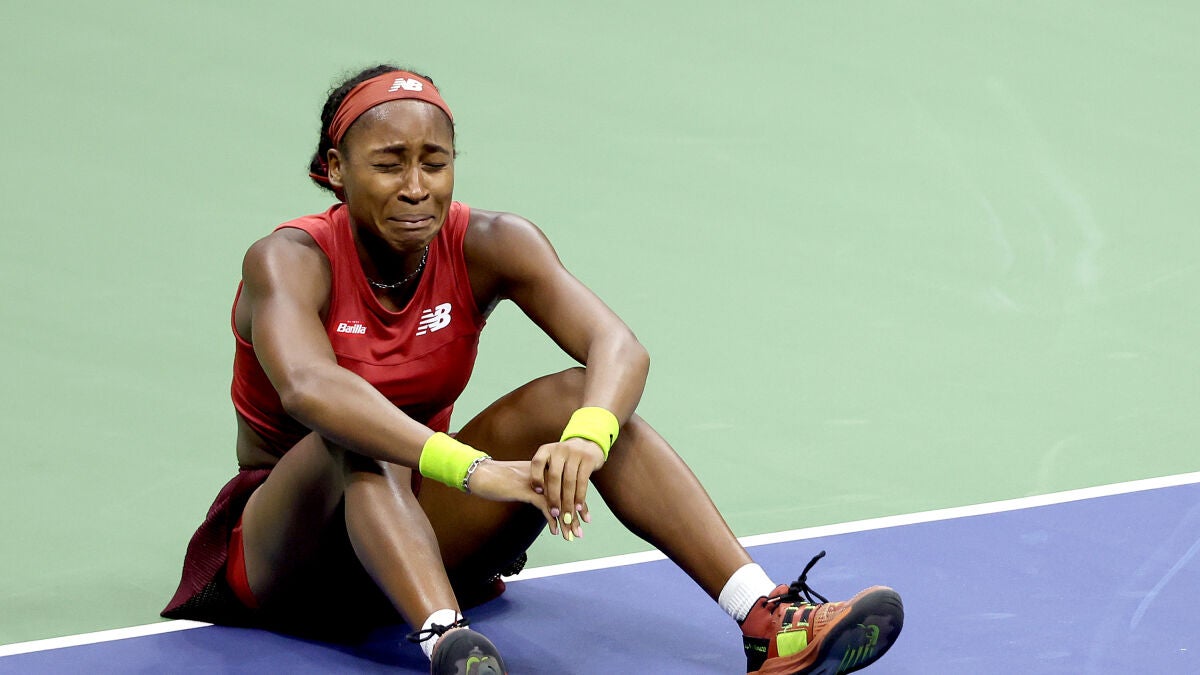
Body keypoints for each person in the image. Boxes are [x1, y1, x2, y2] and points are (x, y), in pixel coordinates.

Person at [162, 64, 904, 675]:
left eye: (435, 163)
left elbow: (617, 346)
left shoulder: (491, 243)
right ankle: (449, 646)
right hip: (290, 553)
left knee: (582, 397)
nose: (417, 186)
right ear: (334, 170)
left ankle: (765, 617)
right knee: (359, 432)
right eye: (389, 164)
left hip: (412, 531)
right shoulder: (288, 261)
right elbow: (310, 388)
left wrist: (586, 438)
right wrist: (476, 470)